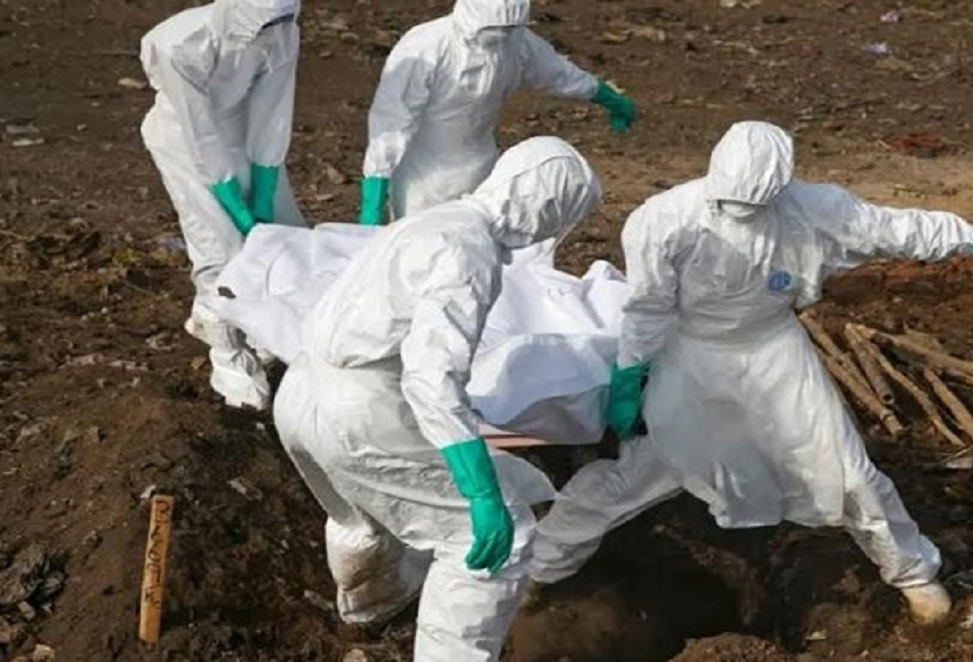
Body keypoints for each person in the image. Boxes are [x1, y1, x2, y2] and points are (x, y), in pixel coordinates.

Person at [527, 121, 973, 625]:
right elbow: (648, 307)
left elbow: (902, 229)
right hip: (693, 355)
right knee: (652, 467)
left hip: (775, 352)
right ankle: (539, 570)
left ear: (779, 191)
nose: (740, 215)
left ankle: (914, 577)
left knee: (848, 472)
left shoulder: (816, 210)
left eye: (753, 207)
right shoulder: (663, 220)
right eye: (729, 204)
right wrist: (630, 378)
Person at [273, 137, 602, 661]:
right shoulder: (469, 252)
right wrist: (480, 489)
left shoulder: (432, 221)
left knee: (361, 513)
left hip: (300, 389)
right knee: (499, 539)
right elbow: (432, 377)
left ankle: (369, 612)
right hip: (361, 409)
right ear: (545, 207)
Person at [140, 0, 305, 411]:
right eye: (266, 22)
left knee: (286, 235)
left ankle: (261, 325)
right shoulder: (181, 45)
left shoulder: (282, 32)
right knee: (221, 246)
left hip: (240, 130)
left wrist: (265, 183)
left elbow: (273, 110)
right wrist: (232, 202)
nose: (274, 31)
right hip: (183, 139)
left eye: (282, 20)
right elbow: (199, 131)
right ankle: (230, 359)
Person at [358, 0, 636, 228]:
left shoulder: (517, 42)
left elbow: (559, 74)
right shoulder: (426, 46)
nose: (501, 34)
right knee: (421, 249)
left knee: (482, 245)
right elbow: (393, 119)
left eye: (509, 28)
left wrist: (608, 98)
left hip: (484, 170)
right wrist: (375, 192)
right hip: (423, 179)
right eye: (495, 27)